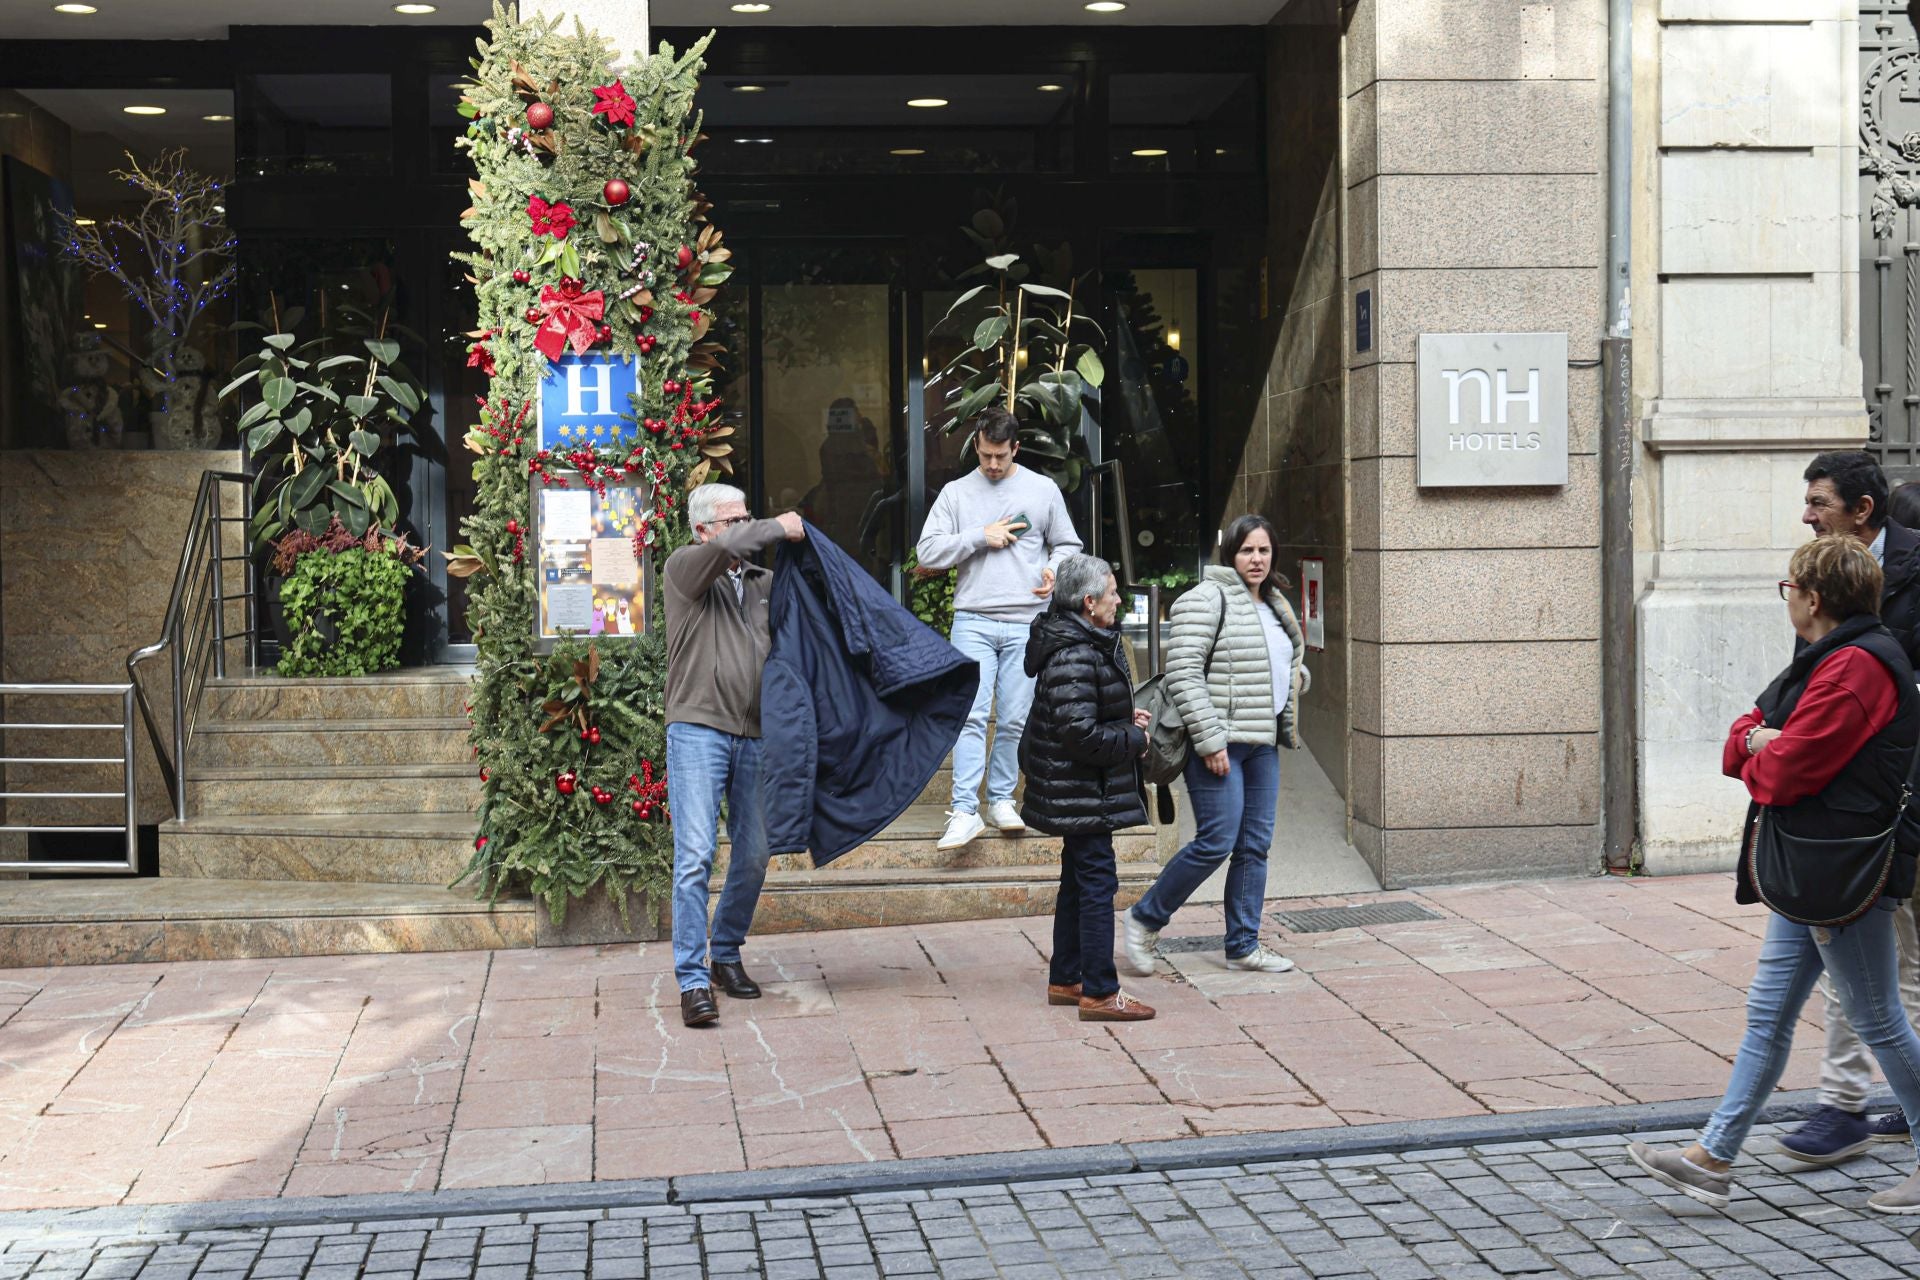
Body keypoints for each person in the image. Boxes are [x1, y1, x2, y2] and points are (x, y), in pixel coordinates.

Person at [1628, 534, 1920, 1213]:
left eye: (1788, 588)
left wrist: (1765, 746)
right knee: (1768, 1013)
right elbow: (1747, 731)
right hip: (1809, 869)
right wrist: (1762, 741)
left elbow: (1787, 770)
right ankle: (1714, 1156)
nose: (1785, 599)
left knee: (1879, 1019)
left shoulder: (1857, 668)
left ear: (1813, 598)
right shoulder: (1825, 660)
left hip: (1839, 874)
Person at [1778, 452, 1920, 1160]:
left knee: (1890, 960)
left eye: (1819, 502)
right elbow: (1806, 682)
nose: (1806, 514)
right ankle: (1850, 1103)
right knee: (1872, 961)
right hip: (1848, 807)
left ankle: (1866, 1104)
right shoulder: (1821, 574)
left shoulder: (1916, 571)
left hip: (1899, 799)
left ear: (1863, 511)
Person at [1122, 514, 1308, 977]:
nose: (1257, 559)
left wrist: (1293, 680)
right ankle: (1145, 917)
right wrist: (1209, 740)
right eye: (1248, 550)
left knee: (1254, 846)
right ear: (1231, 554)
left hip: (1263, 741)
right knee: (1216, 841)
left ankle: (1243, 944)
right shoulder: (1205, 598)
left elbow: (1276, 660)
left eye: (1264, 550)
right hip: (1219, 743)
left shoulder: (1275, 603)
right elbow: (1184, 673)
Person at [662, 482, 804, 1028]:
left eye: (751, 518)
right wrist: (778, 524)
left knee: (754, 851)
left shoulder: (766, 584)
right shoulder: (684, 570)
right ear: (704, 531)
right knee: (696, 854)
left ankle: (725, 951)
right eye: (735, 521)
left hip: (757, 734)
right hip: (698, 728)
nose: (747, 528)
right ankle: (693, 982)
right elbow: (724, 553)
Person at [915, 406, 1083, 850]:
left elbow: (1068, 544)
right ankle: (965, 810)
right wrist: (977, 536)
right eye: (986, 455)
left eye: (1001, 457)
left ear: (1016, 449)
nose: (992, 465)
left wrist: (1053, 569)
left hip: (1027, 622)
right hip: (973, 619)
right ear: (977, 446)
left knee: (1012, 718)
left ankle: (1001, 800)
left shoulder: (1042, 489)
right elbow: (928, 553)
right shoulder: (955, 493)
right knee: (970, 716)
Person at [1019, 553, 1157, 1022]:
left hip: (1080, 789)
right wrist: (1133, 737)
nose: (1119, 599)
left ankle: (1066, 978)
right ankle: (1099, 991)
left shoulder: (1081, 640)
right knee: (1097, 884)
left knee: (1078, 884)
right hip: (1082, 790)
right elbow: (1079, 734)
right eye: (1113, 592)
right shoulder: (1075, 651)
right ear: (1089, 601)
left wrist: (1121, 718)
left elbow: (1082, 714)